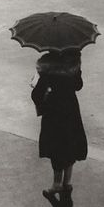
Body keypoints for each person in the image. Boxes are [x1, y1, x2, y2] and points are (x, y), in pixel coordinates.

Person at [31, 50, 87, 196]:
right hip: (71, 110)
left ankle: (56, 184)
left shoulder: (48, 68)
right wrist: (78, 69)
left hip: (53, 112)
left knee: (56, 147)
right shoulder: (73, 64)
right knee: (70, 144)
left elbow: (36, 94)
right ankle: (67, 183)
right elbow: (78, 85)